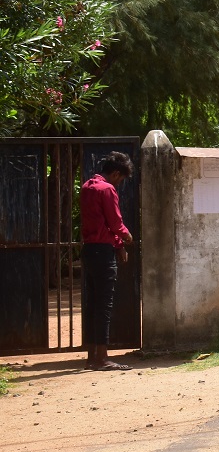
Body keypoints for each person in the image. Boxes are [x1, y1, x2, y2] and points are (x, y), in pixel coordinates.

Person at [81, 151, 134, 370]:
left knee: (93, 303)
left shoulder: (87, 187)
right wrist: (126, 237)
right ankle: (102, 358)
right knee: (104, 305)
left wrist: (118, 245)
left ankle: (92, 355)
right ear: (115, 173)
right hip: (103, 253)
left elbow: (102, 223)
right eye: (120, 178)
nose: (119, 183)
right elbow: (114, 223)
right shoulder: (107, 189)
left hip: (89, 250)